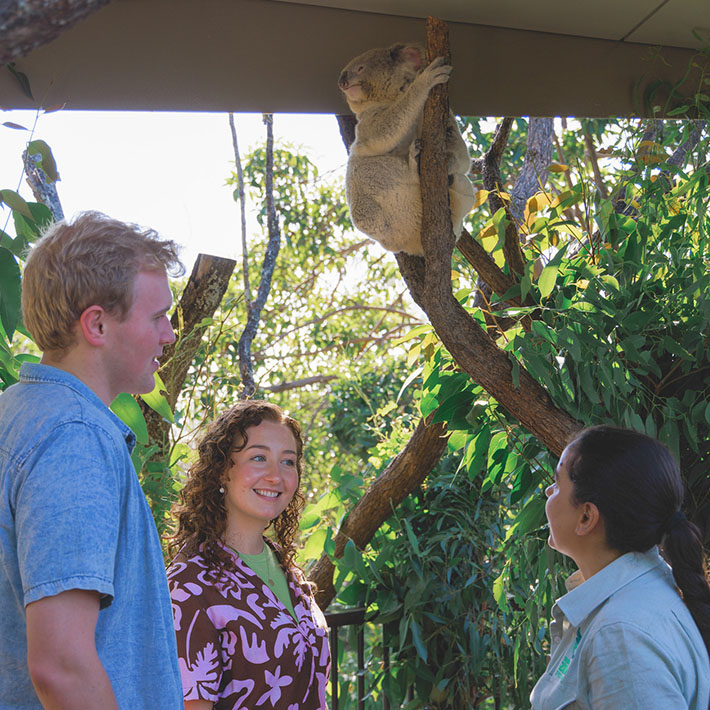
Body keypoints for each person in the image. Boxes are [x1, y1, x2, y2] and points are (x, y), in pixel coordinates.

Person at [0, 211, 185, 708]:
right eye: (158, 316)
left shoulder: (15, 413)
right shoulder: (73, 436)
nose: (169, 334)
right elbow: (61, 667)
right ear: (97, 324)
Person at [531, 425, 710, 710]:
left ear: (586, 516)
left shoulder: (621, 636)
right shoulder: (635, 595)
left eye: (557, 482)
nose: (548, 491)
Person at [166, 400, 330, 710]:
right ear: (221, 471)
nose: (275, 475)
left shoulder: (286, 567)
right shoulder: (189, 587)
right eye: (258, 458)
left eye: (288, 461)